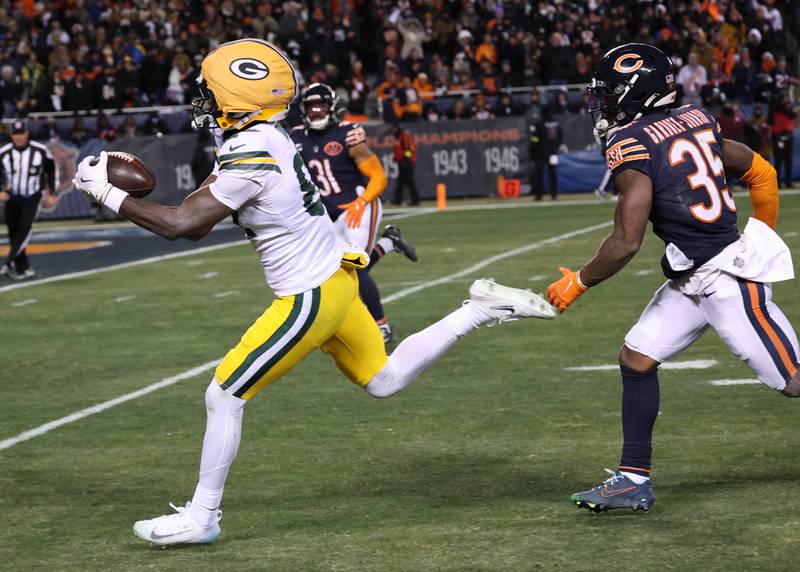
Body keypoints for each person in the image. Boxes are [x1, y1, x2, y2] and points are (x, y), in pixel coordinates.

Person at [72, 39, 556, 546]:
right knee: (383, 380)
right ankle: (478, 309)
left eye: (211, 92)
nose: (203, 99)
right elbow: (194, 217)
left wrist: (107, 192)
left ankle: (202, 515)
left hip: (308, 295)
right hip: (338, 278)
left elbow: (182, 225)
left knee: (224, 393)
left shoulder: (252, 148)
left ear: (239, 102)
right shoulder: (264, 134)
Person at [547, 43, 798, 513]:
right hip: (693, 275)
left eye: (609, 92)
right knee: (638, 357)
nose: (603, 102)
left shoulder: (630, 143)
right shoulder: (695, 118)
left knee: (792, 381)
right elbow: (760, 172)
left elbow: (626, 241)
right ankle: (632, 479)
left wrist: (577, 283)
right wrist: (761, 234)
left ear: (632, 91)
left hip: (724, 279)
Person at [291, 82, 418, 344]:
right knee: (334, 269)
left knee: (354, 267)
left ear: (332, 106)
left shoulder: (348, 134)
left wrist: (363, 202)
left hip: (359, 205)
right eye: (311, 106)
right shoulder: (296, 138)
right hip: (330, 213)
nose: (316, 111)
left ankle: (381, 325)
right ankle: (388, 242)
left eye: (321, 105)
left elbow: (379, 177)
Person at [0, 120, 56, 279]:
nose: (18, 137)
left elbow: (50, 170)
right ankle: (22, 267)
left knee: (25, 227)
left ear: (27, 133)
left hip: (32, 195)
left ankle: (8, 262)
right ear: (11, 135)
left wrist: (52, 192)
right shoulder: (4, 152)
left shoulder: (40, 150)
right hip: (12, 197)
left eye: (21, 133)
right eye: (15, 134)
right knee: (13, 232)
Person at [529, 106, 562, 201]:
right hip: (553, 152)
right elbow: (560, 137)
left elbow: (535, 139)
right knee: (553, 174)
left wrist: (532, 151)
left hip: (541, 153)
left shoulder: (539, 124)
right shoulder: (556, 124)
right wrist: (555, 148)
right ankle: (554, 194)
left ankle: (539, 195)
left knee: (539, 174)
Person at [768, 94, 796, 188]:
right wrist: (774, 107)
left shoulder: (788, 107)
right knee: (778, 160)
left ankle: (788, 182)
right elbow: (770, 121)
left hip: (788, 134)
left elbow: (793, 115)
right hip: (777, 135)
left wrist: (782, 107)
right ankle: (777, 183)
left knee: (789, 160)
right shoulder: (773, 108)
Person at [390, 123, 419, 205]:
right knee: (400, 182)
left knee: (410, 182)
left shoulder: (405, 136)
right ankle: (397, 200)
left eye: (395, 128)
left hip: (407, 163)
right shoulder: (398, 137)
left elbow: (409, 150)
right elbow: (399, 150)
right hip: (401, 163)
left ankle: (415, 200)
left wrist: (406, 160)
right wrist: (397, 159)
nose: (393, 130)